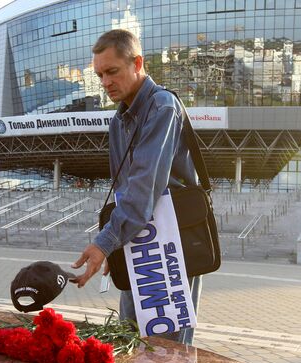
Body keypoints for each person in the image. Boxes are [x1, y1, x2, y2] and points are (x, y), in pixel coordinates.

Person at [71, 29, 202, 346]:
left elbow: (143, 187)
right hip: (141, 237)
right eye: (100, 74)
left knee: (164, 351)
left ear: (138, 63)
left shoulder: (162, 108)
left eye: (112, 71)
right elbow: (124, 190)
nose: (105, 82)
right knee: (130, 340)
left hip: (170, 244)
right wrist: (117, 245)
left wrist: (106, 243)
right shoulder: (118, 120)